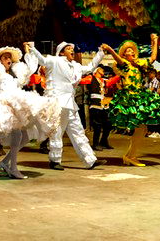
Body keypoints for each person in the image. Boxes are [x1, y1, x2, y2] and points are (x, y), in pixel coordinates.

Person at [0, 42, 60, 179]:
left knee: (25, 136)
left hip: (18, 103)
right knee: (17, 135)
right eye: (5, 58)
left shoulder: (15, 75)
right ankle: (13, 168)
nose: (8, 60)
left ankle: (5, 162)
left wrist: (28, 51)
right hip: (5, 105)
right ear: (0, 61)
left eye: (10, 58)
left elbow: (31, 68)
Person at [26, 41, 108, 170]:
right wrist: (32, 48)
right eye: (69, 49)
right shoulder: (54, 61)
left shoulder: (76, 66)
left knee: (78, 131)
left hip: (70, 103)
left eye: (72, 49)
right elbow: (42, 60)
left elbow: (91, 67)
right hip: (57, 102)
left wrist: (101, 53)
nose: (72, 51)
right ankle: (55, 160)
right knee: (57, 131)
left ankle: (90, 160)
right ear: (62, 52)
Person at [102, 34, 160, 166]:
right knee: (140, 128)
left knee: (142, 129)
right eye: (128, 50)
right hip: (129, 98)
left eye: (132, 50)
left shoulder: (139, 64)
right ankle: (131, 156)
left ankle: (130, 155)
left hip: (139, 96)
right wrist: (110, 50)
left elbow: (153, 58)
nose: (131, 52)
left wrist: (154, 42)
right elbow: (117, 58)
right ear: (124, 54)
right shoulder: (124, 64)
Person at [84, 66, 113, 151]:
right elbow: (80, 81)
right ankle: (95, 144)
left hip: (104, 105)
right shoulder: (90, 78)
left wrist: (119, 75)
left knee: (108, 124)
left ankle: (103, 141)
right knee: (97, 125)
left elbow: (111, 82)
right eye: (100, 68)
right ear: (96, 70)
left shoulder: (104, 80)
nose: (103, 70)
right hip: (95, 105)